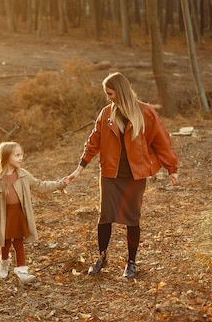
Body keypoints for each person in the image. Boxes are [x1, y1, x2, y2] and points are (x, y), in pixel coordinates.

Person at [65, 72, 178, 279]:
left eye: (111, 93)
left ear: (121, 91)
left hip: (135, 177)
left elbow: (162, 141)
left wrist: (172, 169)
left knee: (132, 219)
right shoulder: (107, 113)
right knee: (105, 217)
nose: (109, 98)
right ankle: (102, 257)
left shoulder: (146, 113)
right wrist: (79, 169)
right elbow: (93, 142)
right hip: (110, 175)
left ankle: (131, 262)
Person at [0, 141, 68, 283]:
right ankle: (4, 263)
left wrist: (61, 183)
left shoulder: (23, 175)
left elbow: (40, 185)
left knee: (18, 241)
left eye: (21, 155)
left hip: (18, 213)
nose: (21, 158)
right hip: (4, 216)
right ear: (6, 157)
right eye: (17, 155)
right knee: (5, 242)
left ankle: (22, 271)